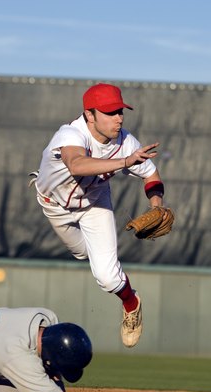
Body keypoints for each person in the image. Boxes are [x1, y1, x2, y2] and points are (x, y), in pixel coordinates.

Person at [30, 83, 167, 348]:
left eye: (120, 111)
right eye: (110, 112)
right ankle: (97, 260)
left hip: (95, 204)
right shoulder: (70, 133)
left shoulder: (126, 141)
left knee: (107, 276)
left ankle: (131, 302)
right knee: (82, 254)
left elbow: (151, 173)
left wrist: (156, 205)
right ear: (89, 115)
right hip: (54, 205)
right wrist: (125, 162)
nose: (118, 118)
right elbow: (77, 164)